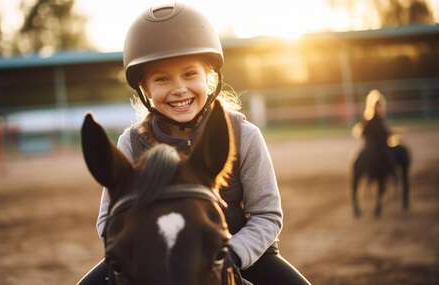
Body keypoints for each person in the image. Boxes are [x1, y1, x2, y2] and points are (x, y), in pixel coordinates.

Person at [77, 3, 309, 284]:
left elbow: (267, 215)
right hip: (151, 260)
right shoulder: (131, 143)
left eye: (190, 74)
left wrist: (231, 255)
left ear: (209, 79)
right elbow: (107, 220)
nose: (179, 89)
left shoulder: (245, 135)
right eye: (162, 79)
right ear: (146, 90)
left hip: (237, 253)